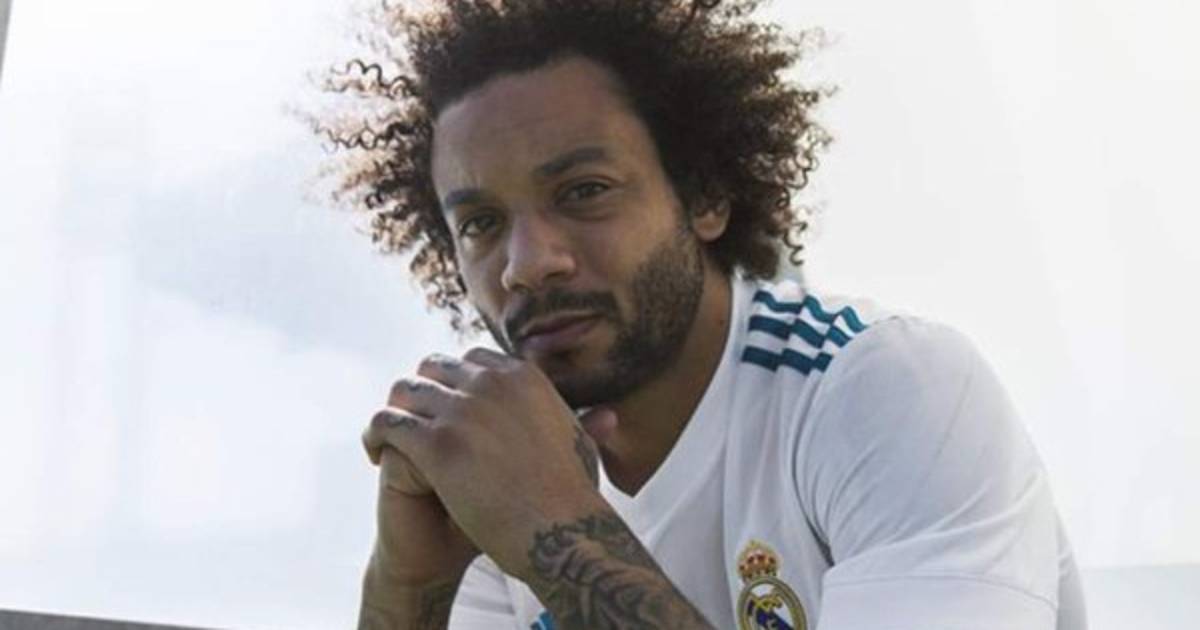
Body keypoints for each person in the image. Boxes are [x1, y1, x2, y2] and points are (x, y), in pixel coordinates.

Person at [309, 1, 1088, 628]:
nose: (526, 263)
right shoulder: (501, 461)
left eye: (584, 191)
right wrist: (407, 585)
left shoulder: (883, 389)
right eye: (480, 223)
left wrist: (555, 531)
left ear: (705, 194)